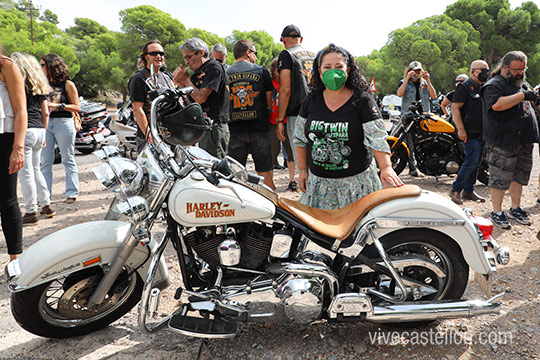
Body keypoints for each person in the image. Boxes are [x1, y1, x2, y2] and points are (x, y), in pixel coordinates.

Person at [293, 44, 403, 210]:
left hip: (357, 187)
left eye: (339, 67)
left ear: (348, 70)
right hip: (319, 187)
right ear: (319, 72)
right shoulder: (311, 101)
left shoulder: (363, 100)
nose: (333, 71)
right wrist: (302, 171)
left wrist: (386, 168)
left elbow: (377, 138)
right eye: (327, 67)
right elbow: (300, 139)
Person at [481, 51, 540, 229]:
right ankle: (497, 212)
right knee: (499, 179)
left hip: (523, 141)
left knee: (519, 177)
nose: (520, 73)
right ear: (505, 68)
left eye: (523, 69)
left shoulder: (522, 84)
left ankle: (515, 208)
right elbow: (497, 105)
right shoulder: (494, 85)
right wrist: (523, 96)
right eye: (516, 69)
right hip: (503, 141)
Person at [12, 52, 55, 226]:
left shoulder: (17, 84)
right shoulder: (39, 86)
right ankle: (46, 204)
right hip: (38, 130)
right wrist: (44, 132)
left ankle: (30, 211)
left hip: (26, 129)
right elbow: (46, 112)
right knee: (36, 170)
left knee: (26, 173)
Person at [226, 40, 275, 189]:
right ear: (248, 52)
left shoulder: (226, 73)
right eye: (255, 53)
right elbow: (269, 103)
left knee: (235, 175)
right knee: (265, 172)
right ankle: (272, 207)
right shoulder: (262, 71)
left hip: (234, 130)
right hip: (259, 128)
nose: (256, 57)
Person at [174, 38, 230, 158]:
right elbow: (191, 104)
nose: (187, 62)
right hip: (203, 128)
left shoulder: (214, 68)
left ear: (201, 52)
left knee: (215, 168)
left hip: (215, 127)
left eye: (189, 57)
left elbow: (200, 97)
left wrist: (185, 80)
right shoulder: (197, 73)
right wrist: (180, 84)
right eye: (185, 58)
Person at [275, 25, 316, 191]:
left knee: (302, 164)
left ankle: (310, 199)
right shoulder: (314, 55)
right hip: (316, 111)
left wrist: (280, 120)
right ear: (302, 39)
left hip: (297, 114)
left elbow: (285, 89)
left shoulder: (287, 55)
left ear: (283, 40)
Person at [40, 54, 80, 204]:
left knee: (68, 158)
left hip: (64, 122)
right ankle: (45, 197)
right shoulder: (41, 84)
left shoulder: (68, 85)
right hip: (45, 123)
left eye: (43, 64)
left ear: (52, 66)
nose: (40, 67)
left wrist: (58, 106)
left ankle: (72, 192)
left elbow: (77, 107)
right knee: (45, 161)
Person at [448, 60, 489, 205]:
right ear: (473, 71)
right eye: (483, 70)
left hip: (481, 132)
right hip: (469, 132)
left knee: (476, 163)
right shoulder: (464, 87)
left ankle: (468, 191)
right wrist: (460, 129)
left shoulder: (482, 88)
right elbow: (455, 108)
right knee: (470, 162)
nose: (486, 73)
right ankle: (455, 190)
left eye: (487, 70)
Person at [0, 52, 27, 261]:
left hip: (5, 139)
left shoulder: (6, 65)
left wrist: (18, 147)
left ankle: (15, 260)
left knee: (7, 199)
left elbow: (21, 110)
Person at [129, 40, 175, 153]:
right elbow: (137, 109)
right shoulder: (139, 78)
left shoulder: (166, 77)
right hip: (151, 136)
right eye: (154, 53)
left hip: (169, 135)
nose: (158, 56)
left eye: (161, 53)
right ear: (146, 57)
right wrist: (149, 135)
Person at [396, 60, 437, 177]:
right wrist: (407, 79)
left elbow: (433, 96)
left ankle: (427, 166)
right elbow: (399, 94)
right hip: (409, 116)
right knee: (410, 143)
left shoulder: (424, 83)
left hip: (424, 116)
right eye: (414, 71)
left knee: (425, 141)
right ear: (409, 71)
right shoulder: (403, 82)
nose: (416, 73)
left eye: (418, 70)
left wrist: (428, 80)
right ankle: (413, 168)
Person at [269, 58, 297, 190]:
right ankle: (270, 183)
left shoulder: (290, 84)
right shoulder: (270, 84)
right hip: (272, 123)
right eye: (277, 72)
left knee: (291, 153)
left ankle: (292, 181)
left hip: (288, 123)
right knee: (272, 154)